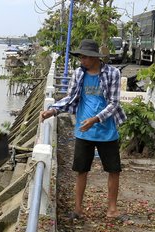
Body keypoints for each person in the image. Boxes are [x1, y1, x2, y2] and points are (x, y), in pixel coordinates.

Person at [40, 38, 126, 220]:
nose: (82, 61)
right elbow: (70, 98)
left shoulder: (112, 73)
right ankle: (78, 210)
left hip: (106, 131)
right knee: (81, 170)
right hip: (83, 131)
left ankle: (112, 209)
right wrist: (53, 110)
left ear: (95, 58)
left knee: (113, 170)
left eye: (85, 57)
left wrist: (95, 119)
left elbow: (114, 103)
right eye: (81, 57)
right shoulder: (79, 74)